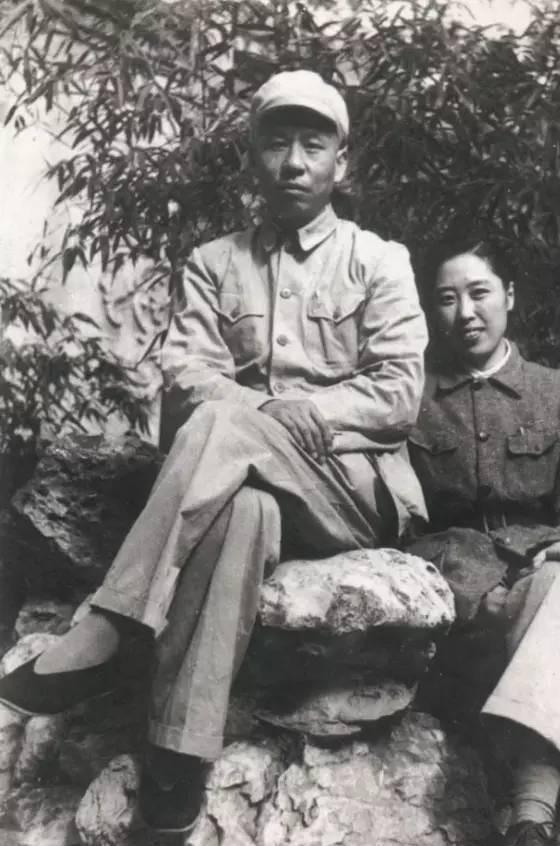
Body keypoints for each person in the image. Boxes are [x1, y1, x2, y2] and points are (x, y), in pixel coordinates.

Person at [0, 70, 428, 833]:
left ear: (342, 163)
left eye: (313, 145)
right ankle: (178, 761)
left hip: (348, 493)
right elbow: (186, 373)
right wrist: (261, 409)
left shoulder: (377, 260)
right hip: (239, 485)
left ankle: (111, 625)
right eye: (276, 143)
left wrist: (299, 414)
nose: (293, 162)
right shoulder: (213, 262)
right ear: (251, 159)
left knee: (224, 423)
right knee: (243, 511)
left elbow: (398, 393)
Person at [406, 242, 560, 846]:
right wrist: (466, 583)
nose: (465, 312)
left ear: (509, 296)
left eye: (479, 292)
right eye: (446, 299)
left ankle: (529, 816)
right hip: (468, 597)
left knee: (558, 587)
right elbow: (401, 528)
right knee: (553, 601)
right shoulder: (410, 401)